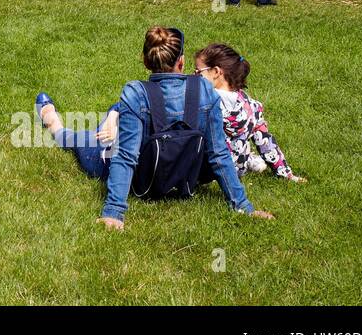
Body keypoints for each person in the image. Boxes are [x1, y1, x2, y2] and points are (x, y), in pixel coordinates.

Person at [97, 27, 272, 229]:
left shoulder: (136, 92)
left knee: (84, 140)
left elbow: (127, 156)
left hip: (143, 183)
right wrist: (244, 206)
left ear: (145, 61)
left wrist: (114, 213)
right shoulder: (204, 89)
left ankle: (57, 127)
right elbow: (218, 153)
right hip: (185, 181)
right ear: (181, 61)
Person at [195, 43, 305, 182]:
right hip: (237, 169)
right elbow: (265, 142)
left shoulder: (202, 102)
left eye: (198, 72)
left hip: (206, 171)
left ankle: (250, 159)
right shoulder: (251, 105)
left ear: (216, 72)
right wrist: (286, 173)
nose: (194, 76)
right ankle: (249, 159)